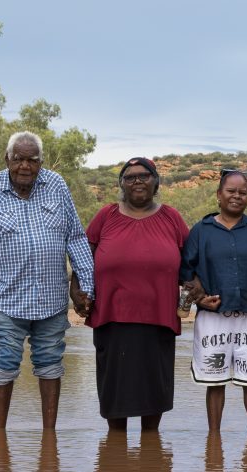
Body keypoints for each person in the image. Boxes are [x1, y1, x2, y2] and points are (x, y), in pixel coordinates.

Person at [0, 131, 94, 430]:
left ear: (41, 162)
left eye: (32, 160)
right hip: (6, 301)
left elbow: (76, 238)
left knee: (51, 364)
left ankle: (49, 438)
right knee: (4, 365)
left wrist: (86, 286)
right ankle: (0, 439)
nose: (25, 166)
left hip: (51, 300)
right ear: (7, 159)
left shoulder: (57, 185)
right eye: (18, 159)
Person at [85, 157, 189, 432]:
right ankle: (115, 451)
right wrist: (77, 290)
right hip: (112, 318)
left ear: (156, 182)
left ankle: (150, 453)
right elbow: (84, 256)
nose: (137, 181)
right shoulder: (106, 216)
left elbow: (191, 262)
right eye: (130, 177)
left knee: (154, 396)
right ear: (122, 184)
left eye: (144, 175)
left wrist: (196, 291)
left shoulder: (171, 217)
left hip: (159, 319)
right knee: (115, 396)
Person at [180, 169, 247, 431]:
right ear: (219, 194)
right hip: (213, 318)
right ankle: (214, 441)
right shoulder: (201, 230)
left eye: (243, 192)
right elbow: (186, 273)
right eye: (231, 191)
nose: (237, 196)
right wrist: (199, 300)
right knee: (215, 383)